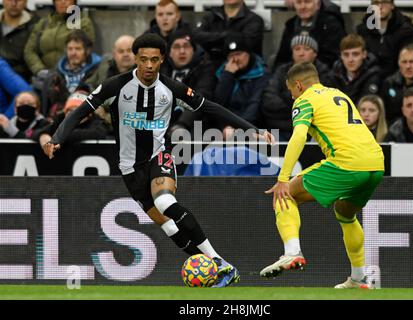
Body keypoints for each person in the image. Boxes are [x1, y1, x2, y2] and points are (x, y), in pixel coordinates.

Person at [41, 33, 274, 288]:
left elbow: (211, 108)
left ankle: (220, 262)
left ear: (162, 59)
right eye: (144, 60)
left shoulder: (172, 88)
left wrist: (252, 129)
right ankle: (211, 271)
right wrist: (57, 137)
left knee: (164, 201)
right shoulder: (114, 86)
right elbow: (79, 112)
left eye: (154, 59)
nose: (149, 65)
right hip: (129, 167)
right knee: (167, 226)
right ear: (135, 59)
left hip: (159, 156)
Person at [260, 62, 384, 289]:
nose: (291, 96)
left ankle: (292, 252)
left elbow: (298, 135)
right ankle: (358, 278)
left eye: (290, 91)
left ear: (297, 85)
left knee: (284, 195)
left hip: (347, 162)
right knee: (345, 213)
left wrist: (283, 178)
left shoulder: (304, 99)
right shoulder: (339, 94)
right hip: (376, 162)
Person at [261, 34, 329, 141]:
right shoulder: (281, 71)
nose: (301, 53)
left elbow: (319, 104)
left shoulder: (323, 73)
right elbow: (269, 100)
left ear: (315, 53)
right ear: (292, 53)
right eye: (297, 49)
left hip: (311, 130)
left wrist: (286, 97)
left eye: (306, 49)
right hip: (280, 128)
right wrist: (297, 107)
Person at [160, 29, 217, 134]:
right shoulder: (160, 71)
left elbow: (201, 97)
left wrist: (182, 124)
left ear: (193, 50)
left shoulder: (204, 69)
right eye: (176, 47)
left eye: (186, 46)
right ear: (170, 53)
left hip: (195, 127)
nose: (182, 51)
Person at [214, 33, 270, 136]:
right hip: (225, 127)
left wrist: (237, 128)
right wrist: (227, 76)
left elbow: (254, 105)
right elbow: (218, 103)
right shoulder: (223, 72)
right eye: (231, 56)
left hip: (251, 127)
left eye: (239, 54)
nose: (235, 59)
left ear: (248, 53)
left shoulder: (261, 73)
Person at [24, 0, 95, 78]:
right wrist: (39, 70)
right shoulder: (43, 23)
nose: (63, 1)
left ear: (74, 1)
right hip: (44, 76)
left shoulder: (83, 22)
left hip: (73, 76)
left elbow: (86, 51)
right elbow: (29, 51)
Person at [42, 30, 102, 119]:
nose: (73, 53)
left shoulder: (97, 69)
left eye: (78, 49)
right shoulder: (56, 73)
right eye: (70, 49)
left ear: (87, 51)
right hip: (60, 116)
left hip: (87, 116)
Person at [273, 0, 346, 70]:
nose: (303, 6)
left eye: (307, 2)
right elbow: (281, 59)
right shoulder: (290, 26)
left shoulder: (331, 24)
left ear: (318, 5)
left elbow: (333, 58)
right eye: (299, 2)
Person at [356, 0, 413, 78]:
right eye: (376, 3)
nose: (380, 7)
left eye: (384, 2)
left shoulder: (406, 31)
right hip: (368, 80)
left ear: (392, 5)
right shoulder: (362, 30)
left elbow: (408, 61)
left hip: (397, 81)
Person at [194, 0, 264, 66]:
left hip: (244, 71)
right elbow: (197, 37)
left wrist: (213, 42)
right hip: (211, 67)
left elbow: (246, 44)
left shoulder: (254, 20)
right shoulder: (210, 17)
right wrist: (226, 36)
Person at [33, 89, 109, 147]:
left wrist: (62, 136)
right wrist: (42, 135)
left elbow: (98, 133)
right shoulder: (60, 121)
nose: (73, 114)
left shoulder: (96, 122)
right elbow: (35, 133)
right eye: (69, 110)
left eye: (78, 111)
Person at [327, 34, 381, 104]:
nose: (350, 59)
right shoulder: (333, 76)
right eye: (346, 55)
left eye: (355, 54)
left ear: (364, 54)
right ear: (341, 56)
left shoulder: (373, 75)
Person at [0, 0, 39, 81]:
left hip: (22, 80)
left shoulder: (36, 25)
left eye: (19, 0)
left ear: (26, 2)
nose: (14, 3)